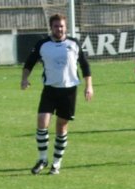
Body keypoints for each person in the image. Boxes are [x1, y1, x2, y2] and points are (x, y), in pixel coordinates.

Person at [21, 13, 93, 175]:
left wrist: (89, 86)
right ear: (51, 28)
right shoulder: (43, 44)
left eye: (61, 26)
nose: (59, 29)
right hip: (50, 90)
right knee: (42, 121)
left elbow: (85, 66)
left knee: (61, 126)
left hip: (69, 91)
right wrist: (24, 79)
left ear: (65, 27)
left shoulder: (73, 44)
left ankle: (56, 163)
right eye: (56, 26)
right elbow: (29, 62)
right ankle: (42, 159)